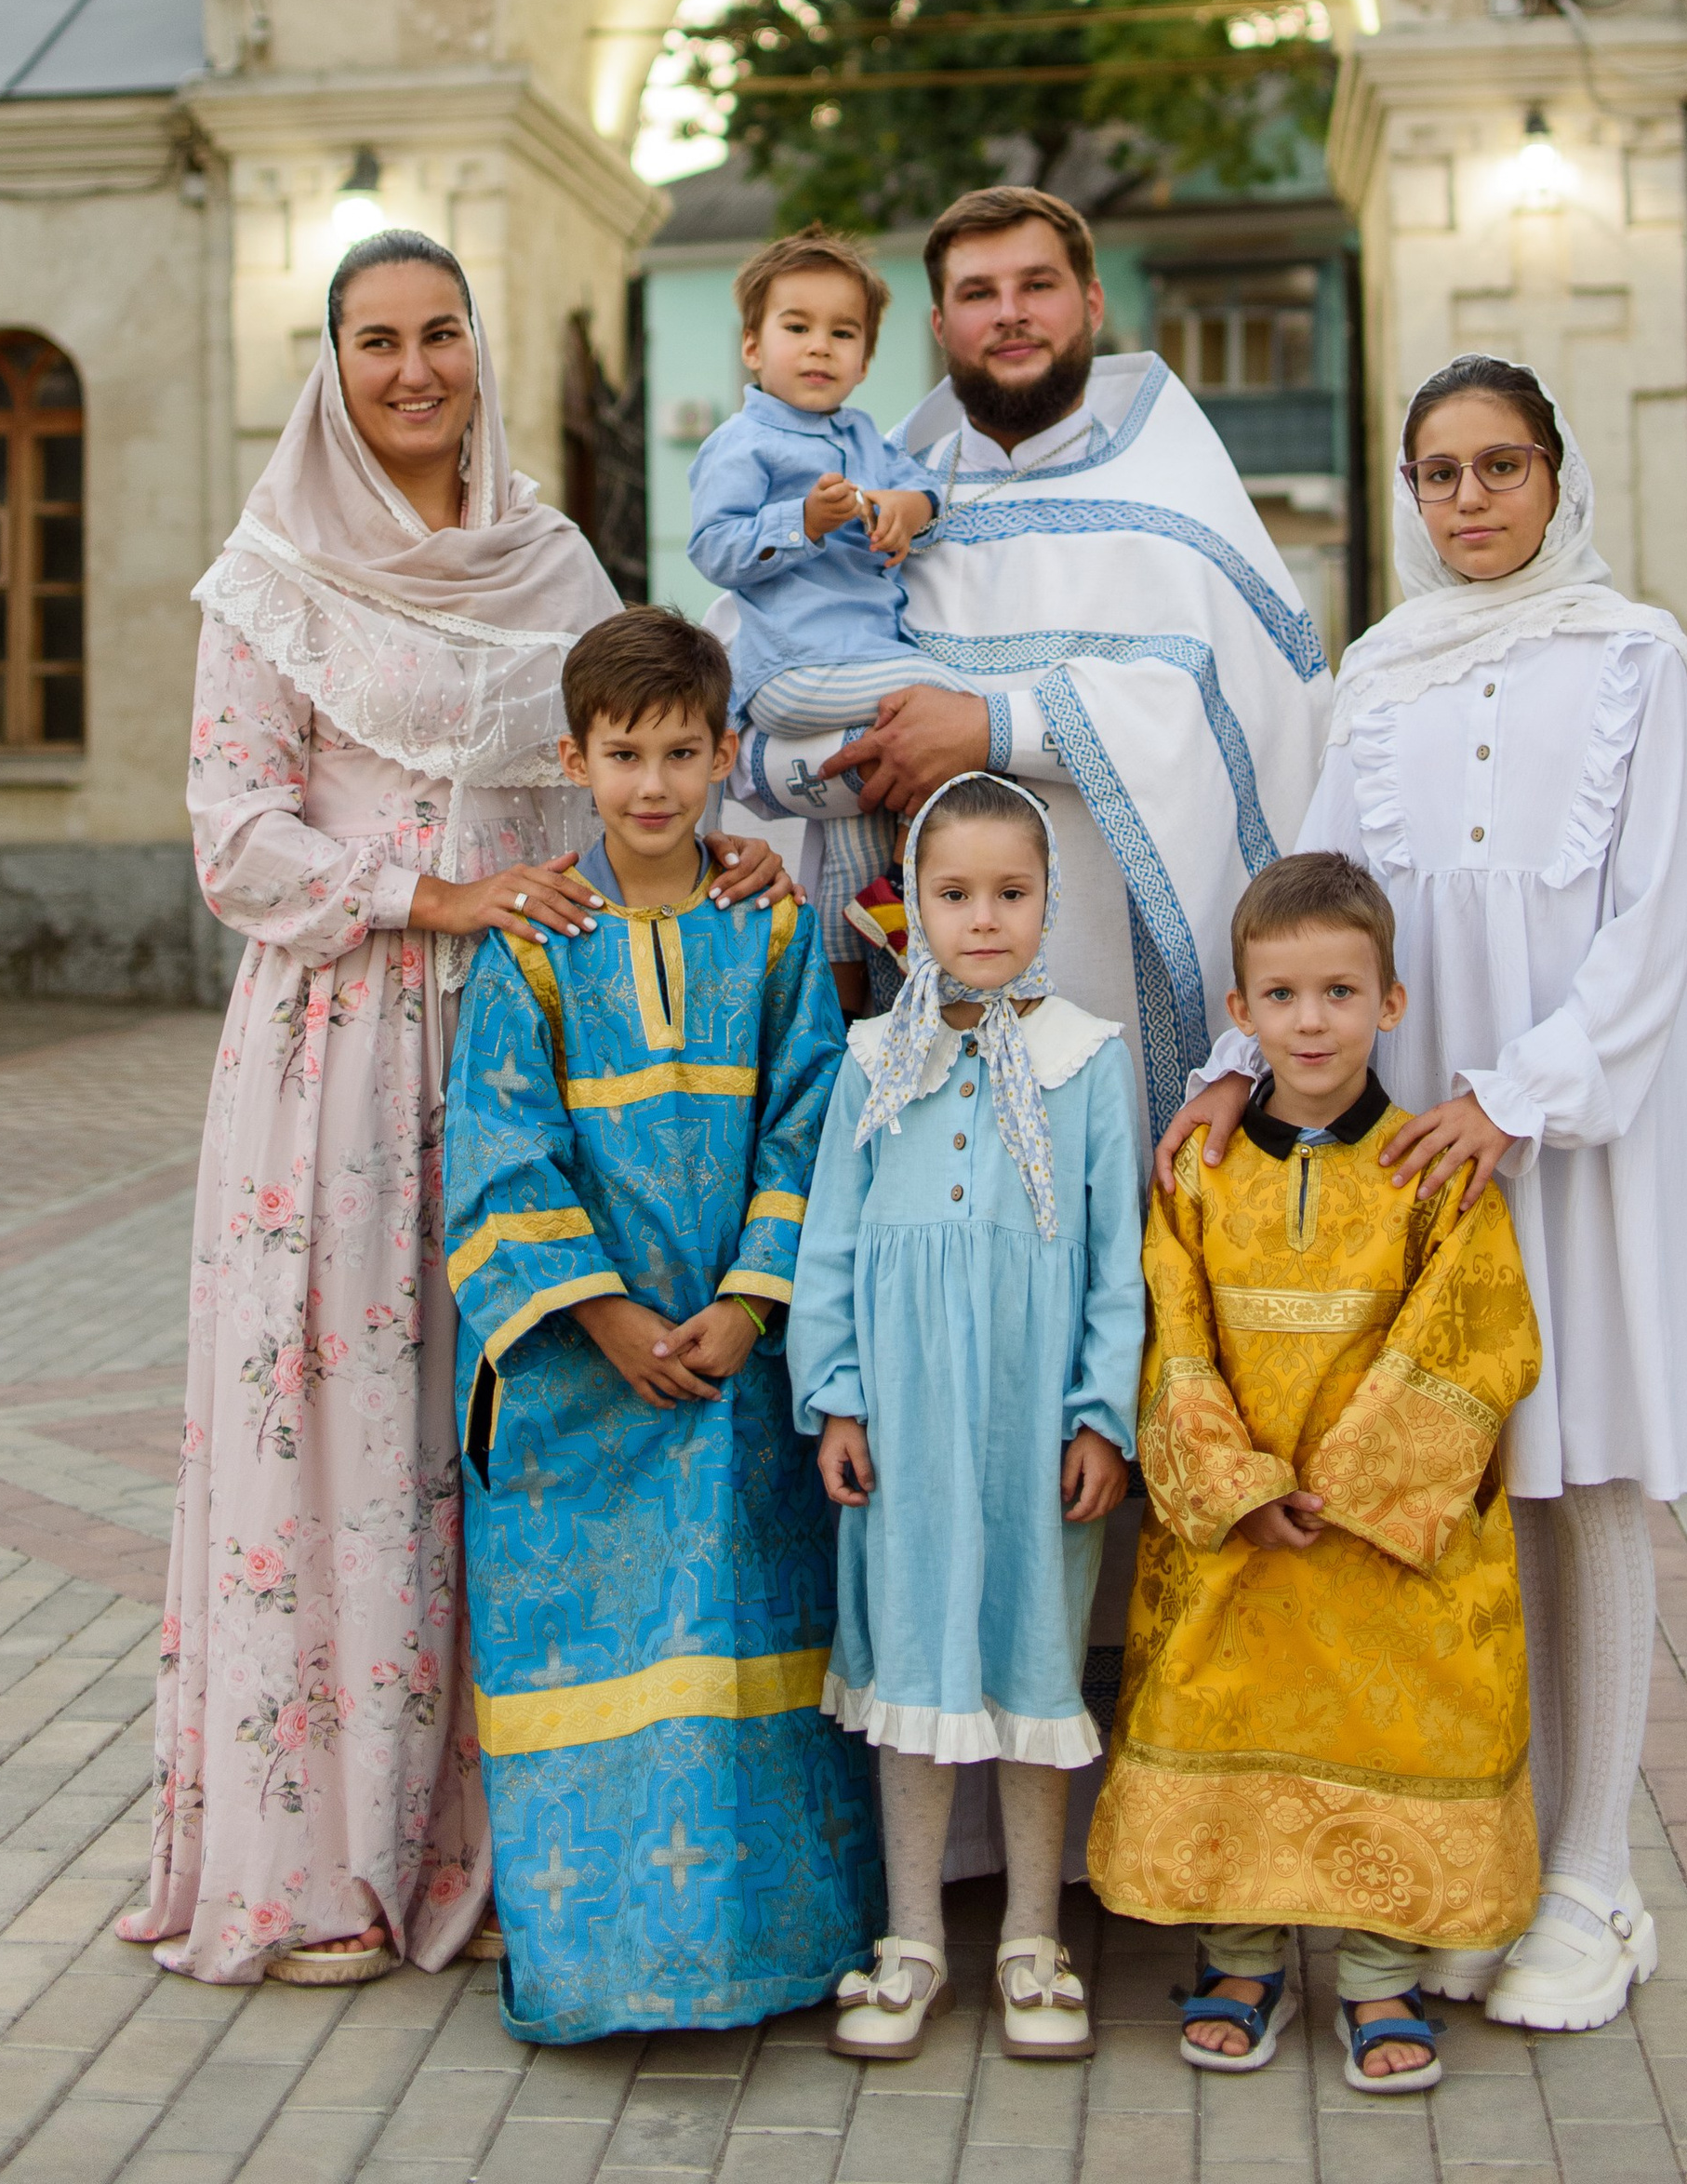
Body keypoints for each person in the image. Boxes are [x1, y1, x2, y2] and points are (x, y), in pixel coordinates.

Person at [120, 233, 790, 1990]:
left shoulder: (551, 556)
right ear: (329, 367)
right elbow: (233, 831)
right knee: (346, 1434)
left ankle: (510, 1849)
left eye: (439, 336)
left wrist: (707, 846)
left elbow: (615, 747)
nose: (413, 370)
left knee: (502, 1421)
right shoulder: (270, 577)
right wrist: (433, 902)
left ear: (479, 350)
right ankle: (326, 1864)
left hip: (535, 1052)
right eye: (374, 342)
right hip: (344, 1048)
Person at [1157, 355, 1687, 2032]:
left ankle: (1598, 1879)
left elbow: (1653, 917)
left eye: (1502, 468)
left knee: (1588, 1470)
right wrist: (1226, 1060)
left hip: (1575, 1115)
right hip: (1419, 1134)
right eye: (1441, 474)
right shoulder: (1388, 668)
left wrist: (1521, 1097)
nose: (1471, 501)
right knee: (1468, 1484)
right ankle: (1492, 1854)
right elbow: (1314, 888)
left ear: (1559, 477)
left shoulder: (1638, 656)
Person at [443, 605, 882, 2044]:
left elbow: (811, 1124)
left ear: (725, 754)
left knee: (748, 1643)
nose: (650, 783)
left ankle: (775, 1953)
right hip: (589, 1386)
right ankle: (596, 1969)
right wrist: (614, 1316)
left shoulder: (768, 925)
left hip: (738, 1369)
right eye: (622, 753)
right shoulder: (534, 946)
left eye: (681, 751)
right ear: (573, 757)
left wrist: (755, 1308)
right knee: (606, 1665)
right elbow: (496, 1152)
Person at [732, 185, 1332, 1147]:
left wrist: (986, 727)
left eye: (1037, 284)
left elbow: (1243, 716)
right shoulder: (878, 506)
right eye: (978, 293)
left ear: (1091, 302)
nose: (1008, 312)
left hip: (1128, 1015)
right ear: (939, 325)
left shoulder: (1176, 505)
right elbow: (749, 703)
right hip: (923, 1010)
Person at [1090, 849, 1542, 2098]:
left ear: (1389, 1002)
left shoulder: (1433, 1165)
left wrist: (1349, 1487)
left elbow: (1476, 1337)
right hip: (1241, 1527)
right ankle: (1238, 1958)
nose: (1312, 1019)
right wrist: (1235, 1484)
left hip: (1383, 1535)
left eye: (1340, 991)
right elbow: (1170, 1332)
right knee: (1226, 1703)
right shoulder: (1199, 1167)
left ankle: (1381, 1969)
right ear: (1240, 1014)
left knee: (1395, 1718)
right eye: (1282, 995)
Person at [786, 771, 1146, 2066]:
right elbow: (828, 1235)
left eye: (1010, 891)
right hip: (906, 1413)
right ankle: (915, 1933)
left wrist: (1102, 1414)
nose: (982, 917)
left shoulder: (1088, 1060)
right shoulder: (877, 1057)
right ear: (915, 905)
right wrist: (835, 1392)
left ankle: (1035, 1936)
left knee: (1032, 1646)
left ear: (1048, 899)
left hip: (1030, 1409)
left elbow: (1116, 1264)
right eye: (955, 892)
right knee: (913, 1662)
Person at [687, 226, 953, 1009]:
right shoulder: (742, 443)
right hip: (793, 670)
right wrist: (799, 522)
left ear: (866, 359)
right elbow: (712, 547)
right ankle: (924, 849)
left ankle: (841, 1023)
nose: (819, 347)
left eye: (843, 333)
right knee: (953, 699)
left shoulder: (865, 436)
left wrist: (909, 505)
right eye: (796, 326)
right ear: (751, 345)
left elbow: (926, 494)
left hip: (854, 668)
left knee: (855, 835)